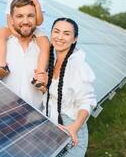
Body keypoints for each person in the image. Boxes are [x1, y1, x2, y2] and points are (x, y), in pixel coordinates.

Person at [37, 18, 97, 156]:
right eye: (56, 31)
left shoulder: (78, 66)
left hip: (70, 128)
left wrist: (74, 128)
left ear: (74, 39)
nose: (59, 37)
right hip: (53, 125)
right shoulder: (52, 62)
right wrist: (44, 87)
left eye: (66, 33)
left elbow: (87, 102)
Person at [0, 0, 47, 109]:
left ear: (37, 18)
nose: (25, 21)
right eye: (19, 16)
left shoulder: (46, 52)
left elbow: (55, 95)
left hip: (34, 122)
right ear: (11, 19)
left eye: (30, 16)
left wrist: (46, 88)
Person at [0, 0, 49, 90]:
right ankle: (2, 64)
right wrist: (14, 32)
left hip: (34, 28)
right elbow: (9, 19)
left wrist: (37, 5)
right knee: (1, 33)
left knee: (45, 44)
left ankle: (39, 75)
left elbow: (39, 22)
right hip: (15, 27)